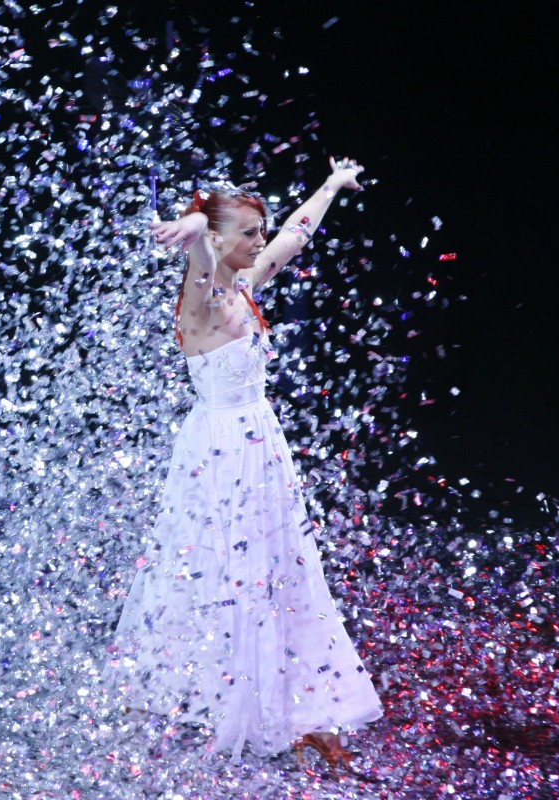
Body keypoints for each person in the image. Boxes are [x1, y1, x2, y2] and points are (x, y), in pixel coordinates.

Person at [106, 158, 383, 767]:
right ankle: (193, 694)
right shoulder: (201, 300)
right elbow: (202, 266)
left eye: (258, 232)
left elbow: (293, 234)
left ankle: (304, 706)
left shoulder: (244, 285)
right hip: (221, 452)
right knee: (222, 573)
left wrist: (332, 185)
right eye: (248, 233)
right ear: (217, 240)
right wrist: (197, 235)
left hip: (261, 446)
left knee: (282, 570)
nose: (259, 241)